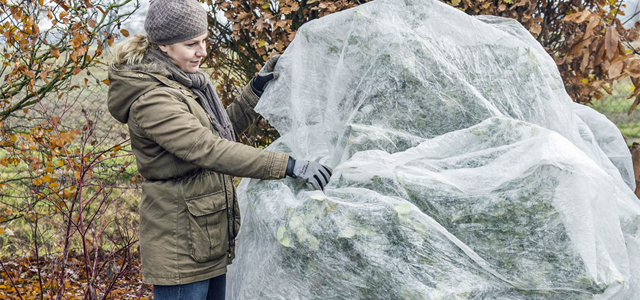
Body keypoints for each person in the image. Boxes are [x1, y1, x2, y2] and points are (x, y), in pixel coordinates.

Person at [106, 0, 332, 299]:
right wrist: (289, 165)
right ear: (163, 46)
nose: (202, 52)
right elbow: (209, 149)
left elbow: (218, 130)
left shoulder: (184, 83)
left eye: (204, 40)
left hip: (206, 235)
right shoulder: (152, 100)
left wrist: (257, 89)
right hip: (180, 241)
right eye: (191, 44)